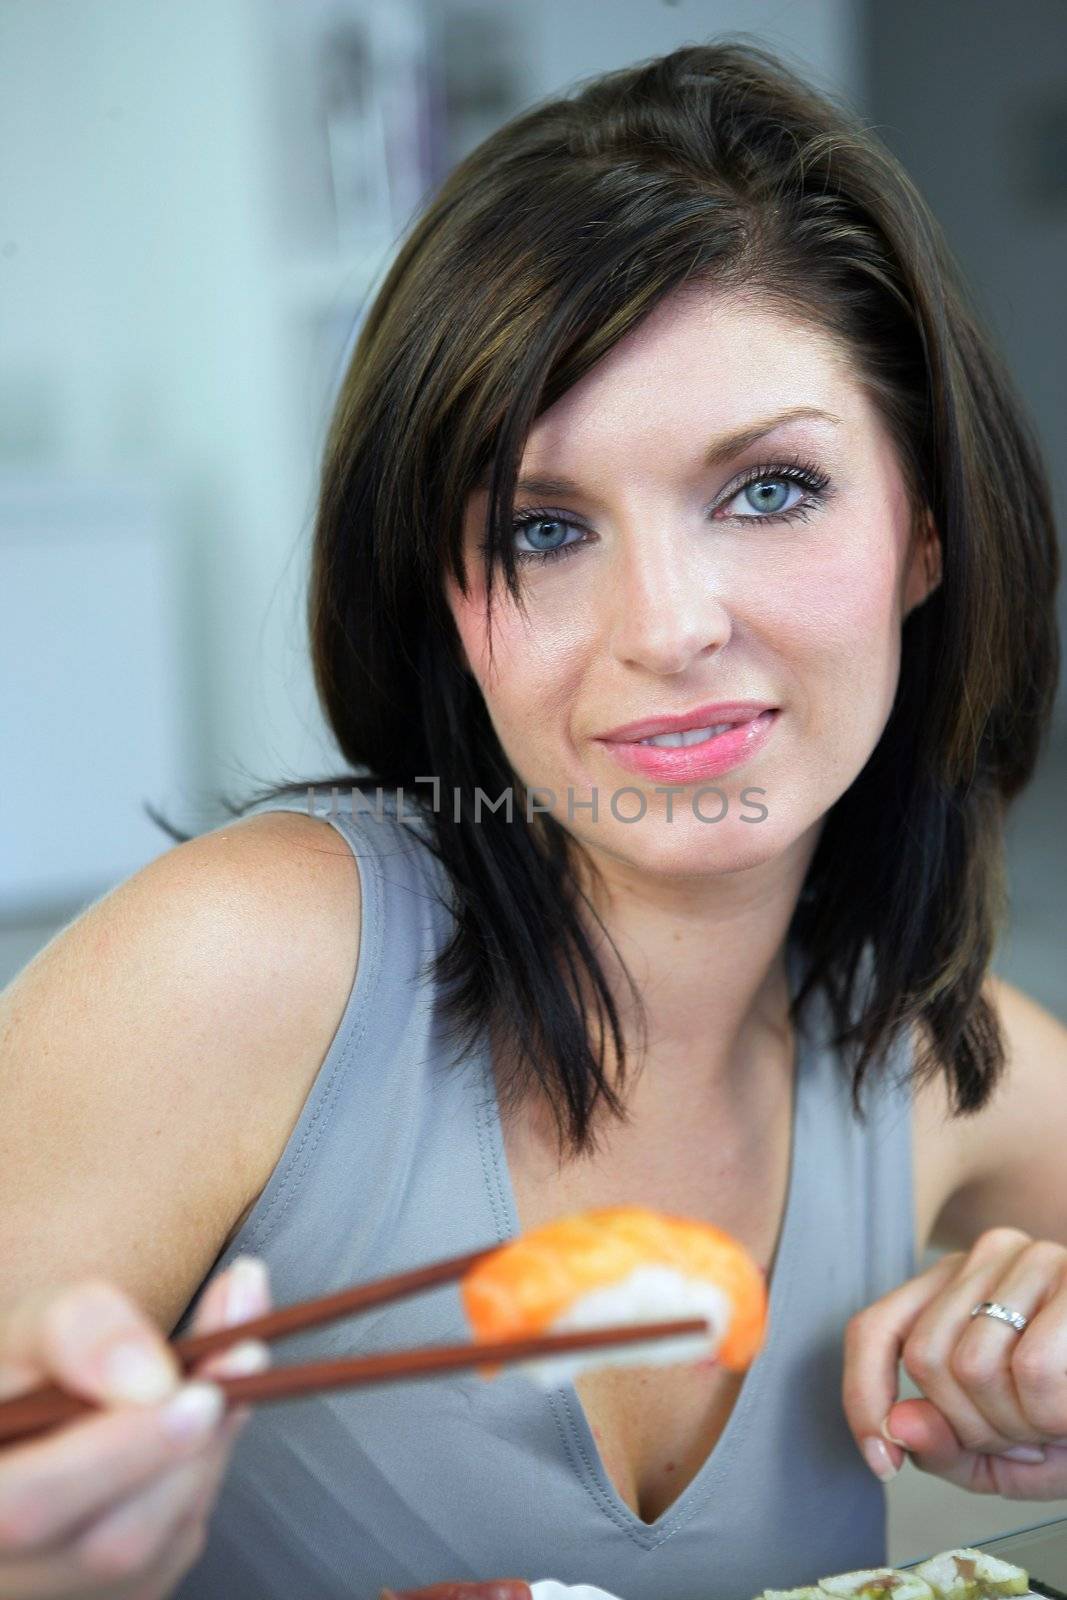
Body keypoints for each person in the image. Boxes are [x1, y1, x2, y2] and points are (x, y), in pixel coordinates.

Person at [0, 34, 1064, 1600]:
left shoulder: (932, 1054)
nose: (668, 624)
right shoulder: (241, 970)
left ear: (924, 530)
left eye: (767, 488)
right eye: (542, 528)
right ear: (446, 605)